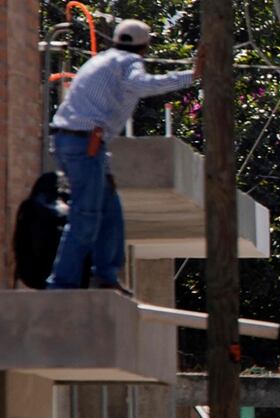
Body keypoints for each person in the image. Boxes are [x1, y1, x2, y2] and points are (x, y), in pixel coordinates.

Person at [47, 19, 203, 291]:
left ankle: (106, 276)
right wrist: (192, 75)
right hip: (85, 144)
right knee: (86, 215)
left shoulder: (102, 60)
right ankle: (62, 283)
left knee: (110, 210)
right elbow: (142, 85)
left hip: (71, 140)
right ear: (145, 46)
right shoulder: (129, 63)